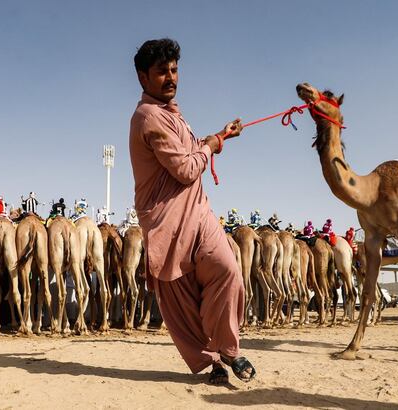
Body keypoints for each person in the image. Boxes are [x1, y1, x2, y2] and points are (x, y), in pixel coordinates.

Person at [128, 38, 251, 385]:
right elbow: (184, 169)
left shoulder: (173, 116)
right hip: (167, 220)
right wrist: (211, 146)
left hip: (197, 212)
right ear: (142, 78)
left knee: (227, 270)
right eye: (161, 72)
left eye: (174, 70)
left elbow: (190, 152)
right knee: (183, 301)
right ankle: (214, 362)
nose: (170, 78)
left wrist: (219, 135)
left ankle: (229, 348)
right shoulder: (147, 117)